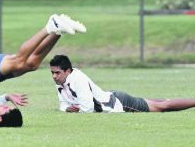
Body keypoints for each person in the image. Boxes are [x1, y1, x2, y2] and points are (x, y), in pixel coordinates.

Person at [0, 14, 87, 128]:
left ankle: (50, 26)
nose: (6, 106)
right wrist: (7, 97)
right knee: (31, 65)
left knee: (18, 61)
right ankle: (58, 32)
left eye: (5, 108)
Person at [49, 54, 195, 113]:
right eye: (52, 73)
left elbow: (87, 109)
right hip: (111, 97)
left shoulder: (77, 79)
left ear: (68, 71)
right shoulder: (62, 81)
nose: (54, 77)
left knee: (162, 107)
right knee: (156, 102)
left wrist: (75, 110)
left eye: (57, 73)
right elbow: (63, 104)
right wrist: (68, 109)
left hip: (117, 103)